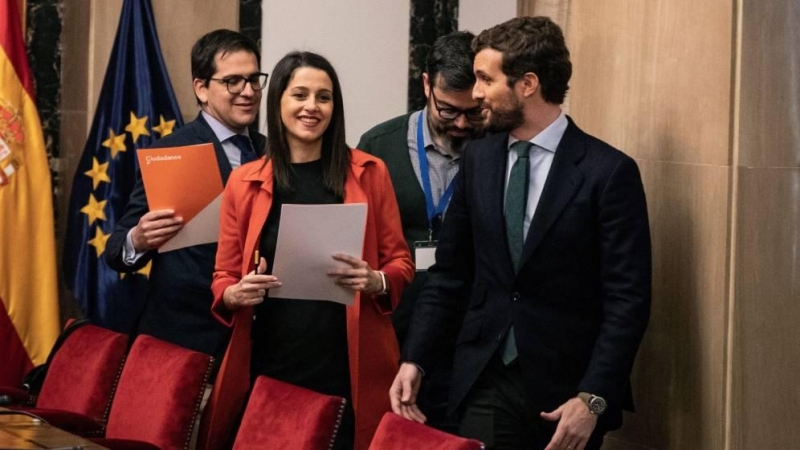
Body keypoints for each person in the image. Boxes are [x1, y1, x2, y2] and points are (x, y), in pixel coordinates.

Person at [390, 16, 651, 450]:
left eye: (484, 79)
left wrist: (594, 398)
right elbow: (451, 273)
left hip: (569, 395)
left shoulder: (608, 173)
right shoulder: (480, 158)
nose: (475, 94)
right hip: (485, 376)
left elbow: (628, 300)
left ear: (527, 84)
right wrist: (415, 357)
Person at [211, 51, 414, 450]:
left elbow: (401, 262)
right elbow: (222, 277)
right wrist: (235, 293)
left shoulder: (369, 173)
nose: (311, 107)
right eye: (299, 94)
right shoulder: (243, 181)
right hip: (270, 358)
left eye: (324, 97)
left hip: (347, 359)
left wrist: (377, 280)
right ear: (279, 103)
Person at [106, 29, 267, 369]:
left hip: (259, 343)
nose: (248, 92)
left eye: (254, 79)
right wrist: (140, 238)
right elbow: (116, 250)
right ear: (201, 88)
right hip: (185, 339)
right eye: (233, 81)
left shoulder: (274, 152)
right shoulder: (172, 152)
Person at [357, 30, 484, 431]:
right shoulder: (379, 145)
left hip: (469, 330)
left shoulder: (497, 148)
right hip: (395, 324)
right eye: (447, 111)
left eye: (473, 111)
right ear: (426, 83)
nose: (461, 123)